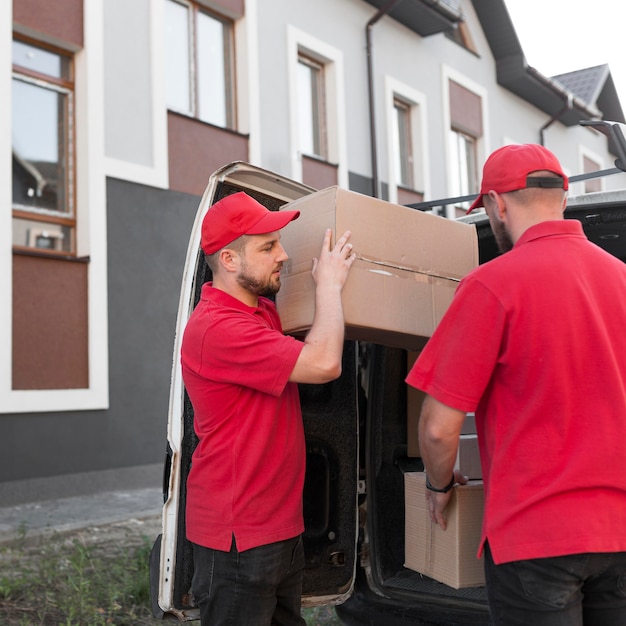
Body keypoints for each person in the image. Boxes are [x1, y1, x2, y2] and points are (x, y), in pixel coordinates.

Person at [406, 144, 626, 625]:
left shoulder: (492, 284)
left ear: (496, 205)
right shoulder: (622, 279)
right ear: (564, 197)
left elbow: (439, 428)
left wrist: (438, 484)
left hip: (536, 537)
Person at [180, 191, 355, 626]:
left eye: (279, 242)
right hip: (240, 536)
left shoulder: (260, 313)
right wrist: (330, 286)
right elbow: (323, 363)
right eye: (267, 246)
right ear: (229, 260)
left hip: (279, 526)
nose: (284, 254)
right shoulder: (219, 328)